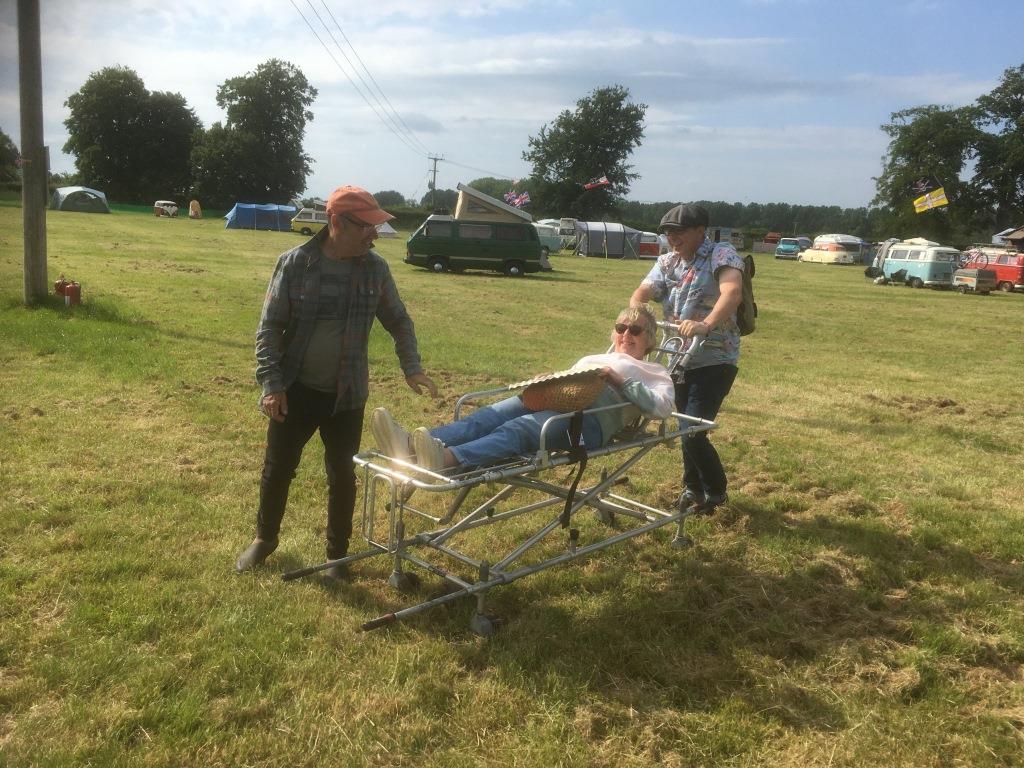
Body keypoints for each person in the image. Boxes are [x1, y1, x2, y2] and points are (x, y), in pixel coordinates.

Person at [235, 186, 437, 578]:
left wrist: (411, 367)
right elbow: (269, 329)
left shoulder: (375, 269)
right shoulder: (295, 264)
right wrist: (272, 385)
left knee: (343, 475)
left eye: (376, 226)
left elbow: (398, 320)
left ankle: (336, 557)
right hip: (294, 390)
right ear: (336, 222)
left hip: (347, 395)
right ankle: (264, 538)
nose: (374, 234)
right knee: (278, 469)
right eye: (366, 226)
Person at [370, 306, 673, 471]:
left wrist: (617, 379)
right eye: (621, 328)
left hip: (588, 422)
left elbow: (661, 409)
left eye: (635, 330)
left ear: (649, 340)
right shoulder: (594, 357)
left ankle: (447, 458)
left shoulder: (654, 372)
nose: (626, 334)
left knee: (520, 428)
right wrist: (549, 379)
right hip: (558, 400)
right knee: (487, 416)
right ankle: (409, 445)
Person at [630, 204, 744, 515]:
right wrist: (637, 310)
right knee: (684, 426)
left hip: (715, 359)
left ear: (700, 230)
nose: (672, 237)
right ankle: (693, 489)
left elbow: (732, 293)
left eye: (678, 231)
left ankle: (716, 493)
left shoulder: (721, 254)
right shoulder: (668, 261)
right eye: (667, 232)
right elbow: (642, 291)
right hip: (677, 358)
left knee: (691, 430)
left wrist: (705, 324)